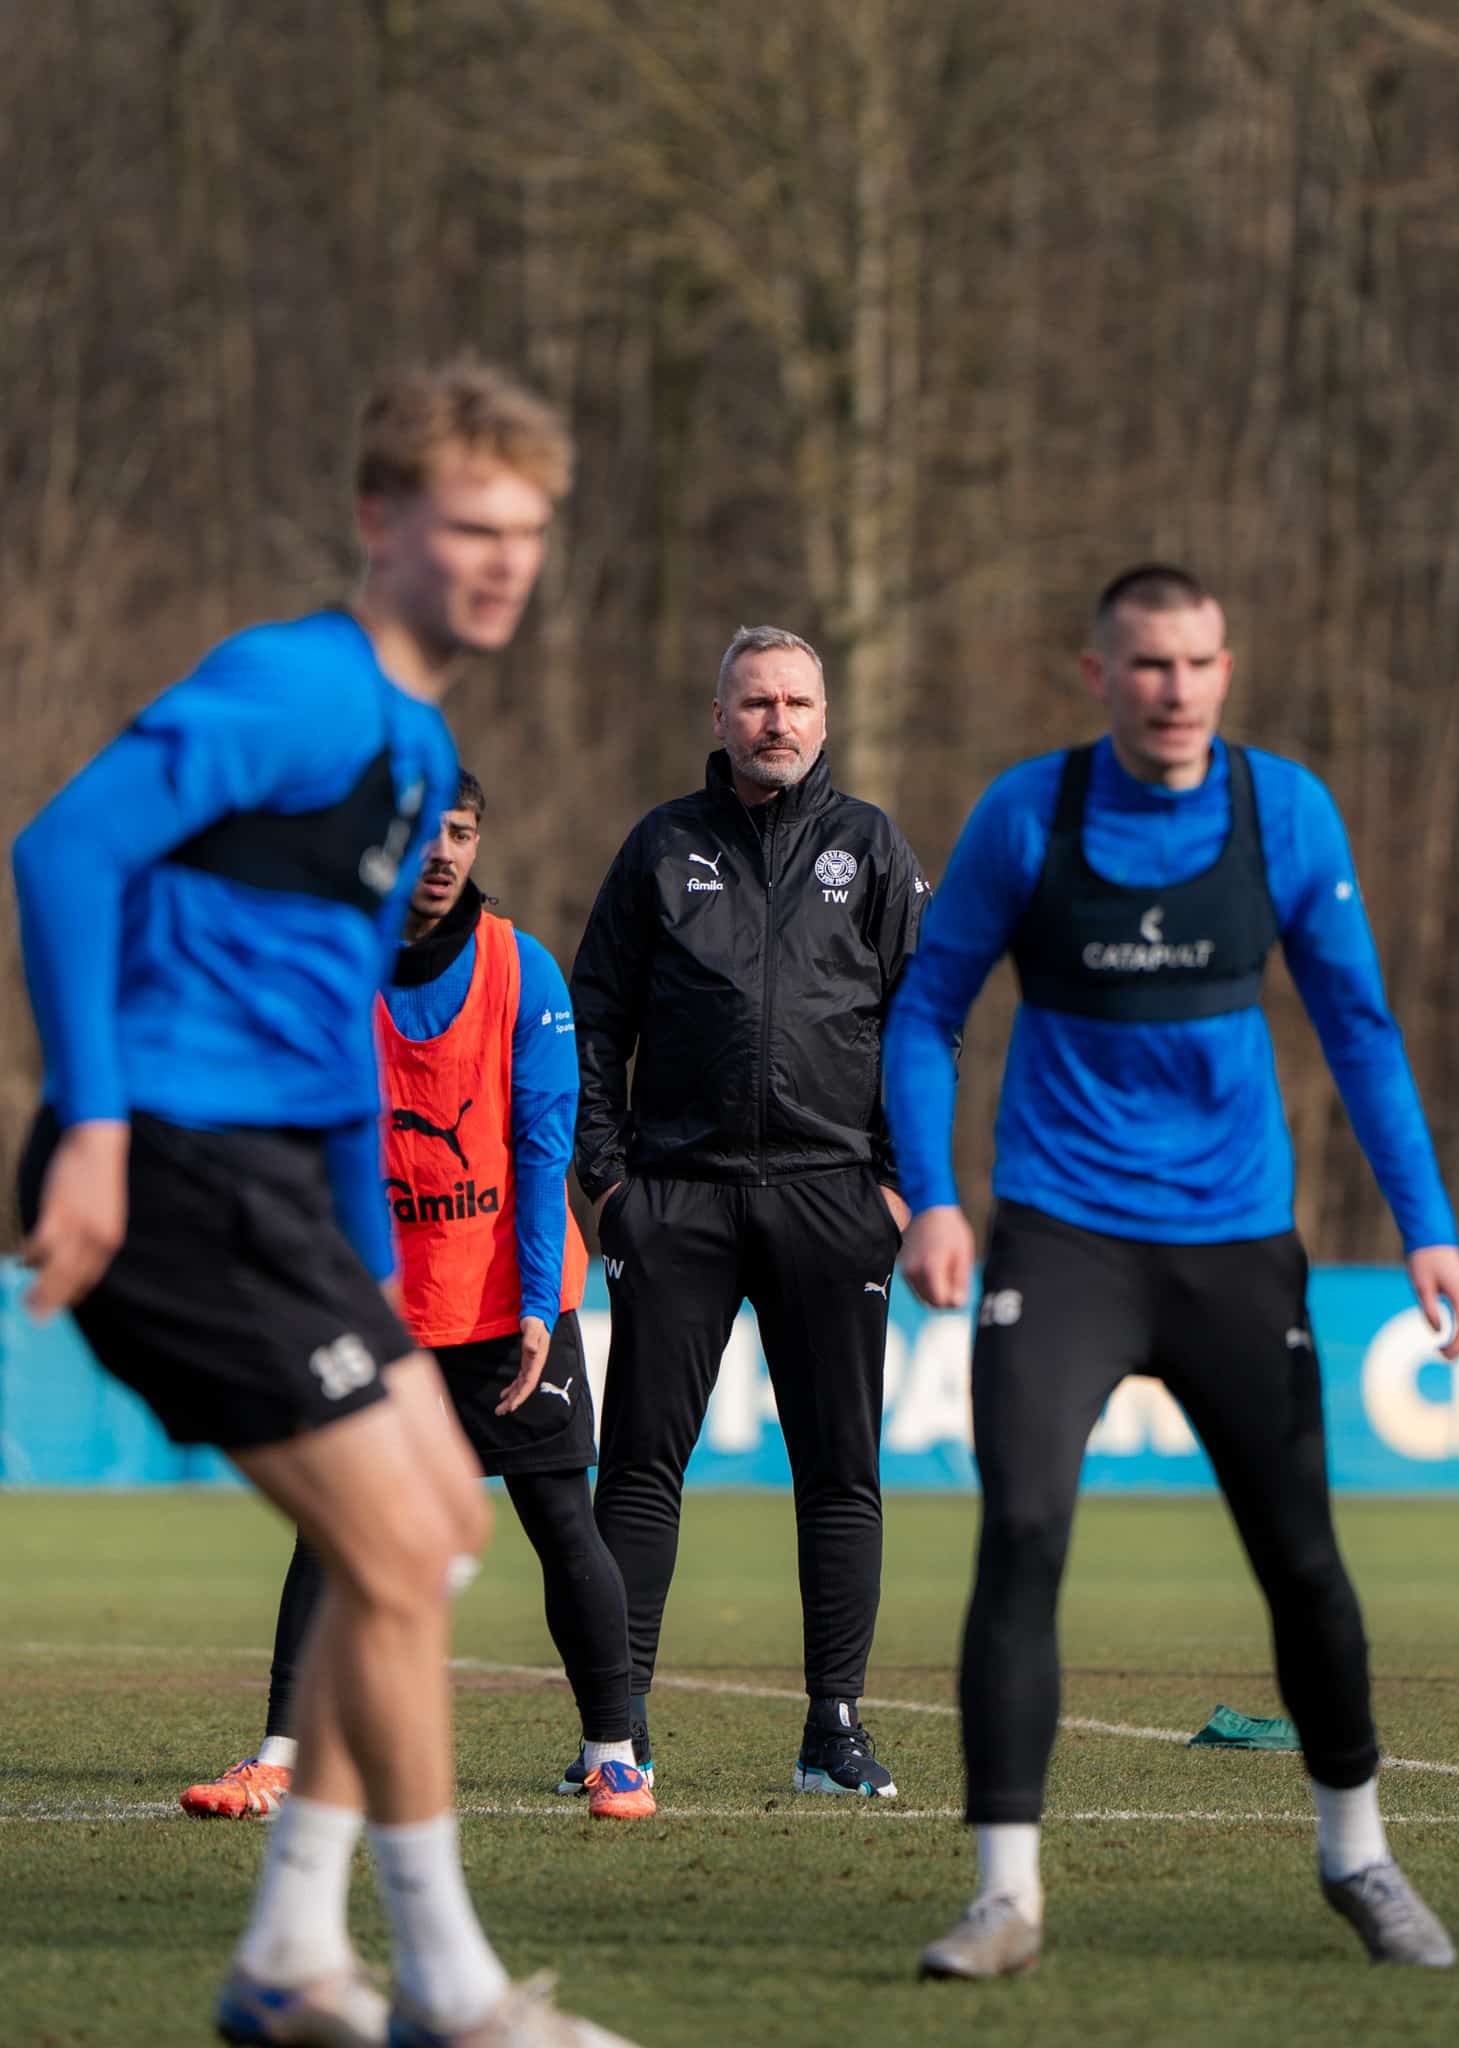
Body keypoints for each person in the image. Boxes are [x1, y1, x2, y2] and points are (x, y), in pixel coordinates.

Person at [14, 359, 639, 2048]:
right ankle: (447, 1984)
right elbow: (63, 850)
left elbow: (343, 1041)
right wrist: (89, 1125)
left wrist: (369, 1266)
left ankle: (295, 1946)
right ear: (382, 523)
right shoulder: (295, 687)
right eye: (467, 525)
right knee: (393, 1543)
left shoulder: (422, 744)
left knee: (430, 1534)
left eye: (525, 530)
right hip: (173, 1167)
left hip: (289, 1193)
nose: (501, 559)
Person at [883, 564, 1459, 1978]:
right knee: (1022, 1536)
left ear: (1228, 668)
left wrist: (1429, 1224)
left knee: (1304, 1562)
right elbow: (926, 1012)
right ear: (1099, 674)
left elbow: (1361, 1028)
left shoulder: (1288, 814)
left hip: (1234, 1250)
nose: (1178, 690)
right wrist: (935, 1199)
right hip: (1062, 1237)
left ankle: (1360, 1858)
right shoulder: (1029, 814)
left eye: (1200, 663)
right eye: (1149, 665)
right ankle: (1004, 1898)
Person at [178, 771, 654, 1830]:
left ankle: (614, 1752)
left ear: (479, 843)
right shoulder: (330, 962)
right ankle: (282, 1753)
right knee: (330, 1526)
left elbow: (542, 1148)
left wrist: (540, 1304)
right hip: (374, 1301)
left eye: (463, 831)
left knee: (558, 1517)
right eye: (425, 831)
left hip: (501, 1301)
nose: (443, 851)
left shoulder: (519, 967)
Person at [566, 625, 928, 1800]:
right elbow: (593, 1018)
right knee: (638, 1468)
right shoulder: (662, 845)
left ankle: (834, 1729)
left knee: (840, 1471)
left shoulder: (871, 847)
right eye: (756, 701)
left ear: (826, 719)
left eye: (797, 701)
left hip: (835, 1199)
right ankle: (614, 1735)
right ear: (718, 718)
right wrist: (612, 1183)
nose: (777, 719)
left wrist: (894, 1186)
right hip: (679, 1196)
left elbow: (924, 1030)